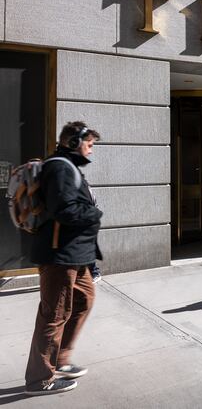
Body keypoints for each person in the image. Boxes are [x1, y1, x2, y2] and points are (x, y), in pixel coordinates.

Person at [25, 121, 103, 396]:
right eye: (89, 145)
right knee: (54, 315)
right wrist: (95, 214)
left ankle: (61, 358)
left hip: (75, 255)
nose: (91, 152)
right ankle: (39, 380)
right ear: (73, 143)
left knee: (84, 299)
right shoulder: (59, 167)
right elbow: (66, 210)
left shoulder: (67, 168)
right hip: (59, 255)